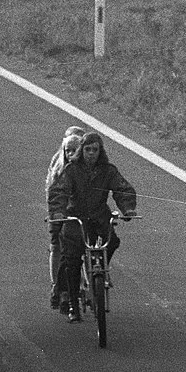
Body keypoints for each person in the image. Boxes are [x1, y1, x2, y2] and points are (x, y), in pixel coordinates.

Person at [48, 131, 138, 323]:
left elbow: (122, 188)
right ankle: (73, 304)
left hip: (99, 216)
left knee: (112, 241)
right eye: (87, 149)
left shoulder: (108, 170)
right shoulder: (71, 170)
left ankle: (100, 267)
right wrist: (58, 212)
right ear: (82, 150)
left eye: (95, 150)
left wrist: (128, 208)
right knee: (72, 259)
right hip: (76, 217)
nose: (91, 153)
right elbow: (59, 191)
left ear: (100, 151)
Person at [45, 126, 87, 311]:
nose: (71, 153)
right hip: (61, 209)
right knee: (57, 245)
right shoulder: (58, 163)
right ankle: (57, 286)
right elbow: (52, 190)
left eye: (75, 148)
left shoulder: (87, 164)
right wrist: (56, 213)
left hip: (79, 210)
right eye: (68, 149)